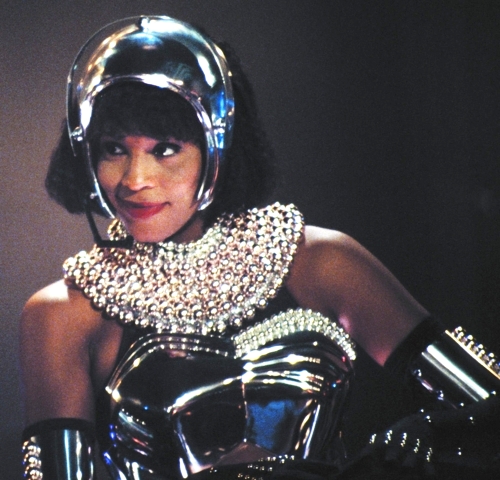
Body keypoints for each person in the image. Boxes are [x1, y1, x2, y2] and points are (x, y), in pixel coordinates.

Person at [20, 16, 500, 480]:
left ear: (219, 148)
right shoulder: (62, 314)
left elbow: (490, 407)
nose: (134, 180)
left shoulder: (323, 262)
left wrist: (420, 437)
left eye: (165, 149)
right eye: (113, 149)